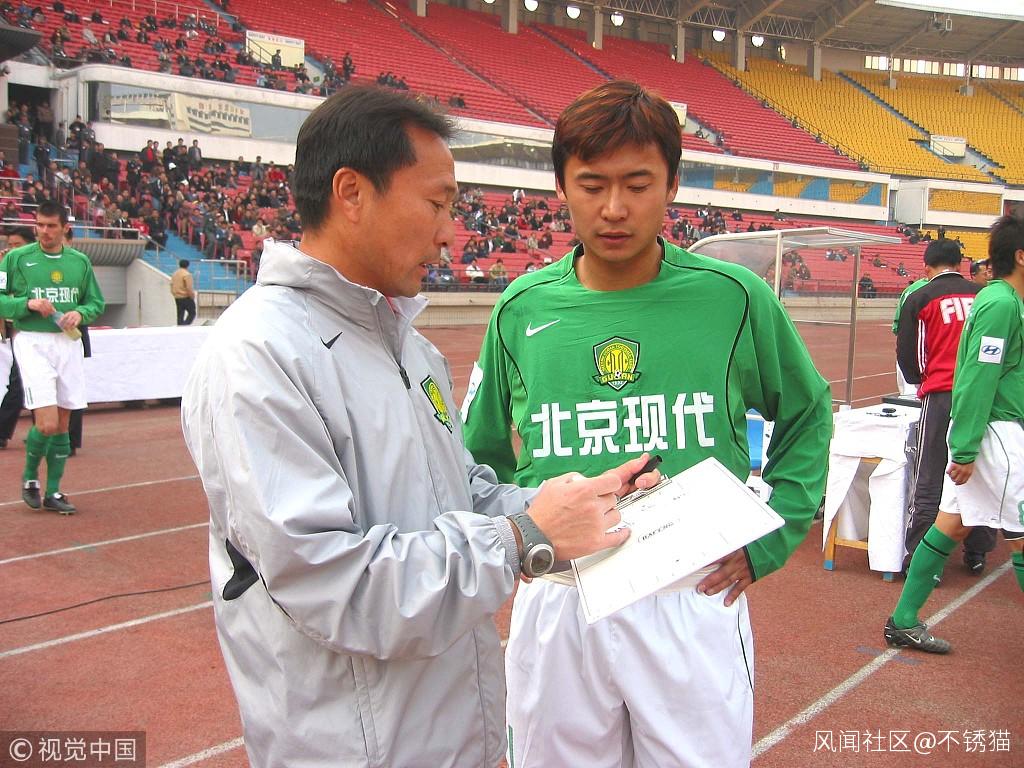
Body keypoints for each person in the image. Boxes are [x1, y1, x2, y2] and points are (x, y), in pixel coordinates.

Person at [179, 85, 657, 768]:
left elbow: (463, 494)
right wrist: (524, 537)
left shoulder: (412, 348)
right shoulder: (259, 354)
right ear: (351, 193)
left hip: (454, 735)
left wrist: (582, 502)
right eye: (438, 203)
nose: (449, 233)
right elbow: (333, 583)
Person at [461, 81, 833, 768]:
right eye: (592, 185)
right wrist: (516, 541)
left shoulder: (733, 298)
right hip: (563, 596)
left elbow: (808, 410)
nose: (614, 208)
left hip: (691, 591)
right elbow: (476, 453)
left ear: (672, 186)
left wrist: (774, 535)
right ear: (561, 187)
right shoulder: (520, 307)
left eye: (637, 185)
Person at [885, 214, 1024, 654]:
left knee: (951, 524)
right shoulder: (999, 304)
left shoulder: (1004, 300)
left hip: (988, 429)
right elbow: (979, 375)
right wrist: (964, 447)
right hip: (994, 432)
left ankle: (903, 621)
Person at [896, 239, 994, 575]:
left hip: (941, 394)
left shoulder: (921, 297)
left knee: (930, 473)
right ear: (961, 263)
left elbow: (908, 353)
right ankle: (978, 550)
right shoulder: (983, 296)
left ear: (927, 267)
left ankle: (922, 557)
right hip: (982, 395)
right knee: (979, 469)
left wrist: (920, 380)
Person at [0, 201, 106, 514]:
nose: (44, 231)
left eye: (51, 226)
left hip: (68, 343)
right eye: (40, 225)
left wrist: (80, 313)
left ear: (64, 228)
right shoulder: (17, 258)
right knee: (46, 424)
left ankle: (54, 491)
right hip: (33, 341)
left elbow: (95, 303)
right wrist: (26, 304)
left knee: (63, 423)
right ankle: (30, 476)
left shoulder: (80, 262)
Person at [0, 227, 34, 448]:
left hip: (36, 328)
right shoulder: (7, 266)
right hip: (16, 329)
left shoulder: (35, 267)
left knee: (21, 380)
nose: (11, 249)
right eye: (9, 245)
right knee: (18, 380)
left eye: (17, 245)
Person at [170, 259, 196, 325]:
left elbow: (171, 284)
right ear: (188, 266)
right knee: (192, 313)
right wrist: (192, 296)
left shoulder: (175, 273)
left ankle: (180, 326)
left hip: (177, 297)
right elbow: (189, 287)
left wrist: (174, 293)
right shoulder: (187, 274)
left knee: (180, 314)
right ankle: (185, 325)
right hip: (185, 296)